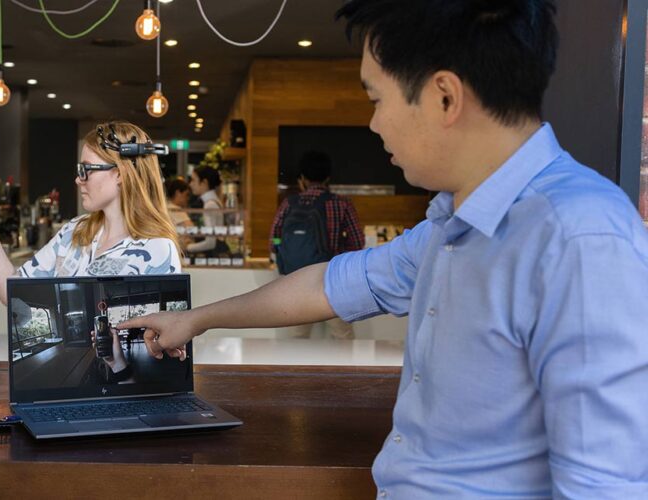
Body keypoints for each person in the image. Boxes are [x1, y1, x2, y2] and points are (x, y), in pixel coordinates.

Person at [120, 1, 648, 497]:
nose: (373, 123)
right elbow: (329, 284)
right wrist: (197, 319)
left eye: (376, 99)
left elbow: (604, 485)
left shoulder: (580, 239)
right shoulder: (450, 226)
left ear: (444, 96)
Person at [0, 120, 183, 376]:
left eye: (86, 170)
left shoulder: (158, 249)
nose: (77, 179)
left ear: (120, 173)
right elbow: (13, 291)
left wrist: (120, 365)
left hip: (128, 390)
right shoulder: (75, 231)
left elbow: (166, 355)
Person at [269, 151, 364, 338]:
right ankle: (343, 368)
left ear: (302, 177)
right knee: (342, 336)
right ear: (328, 177)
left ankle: (297, 368)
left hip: (297, 280)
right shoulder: (341, 203)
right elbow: (358, 242)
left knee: (298, 337)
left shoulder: (290, 203)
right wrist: (337, 255)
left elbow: (275, 238)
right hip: (332, 279)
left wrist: (282, 253)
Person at [185, 166, 227, 255]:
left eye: (193, 180)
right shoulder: (214, 201)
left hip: (214, 256)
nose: (190, 184)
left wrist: (187, 247)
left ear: (204, 183)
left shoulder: (210, 205)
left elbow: (210, 243)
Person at [165, 177, 194, 249]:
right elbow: (191, 229)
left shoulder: (165, 208)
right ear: (178, 193)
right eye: (186, 194)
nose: (188, 198)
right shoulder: (176, 210)